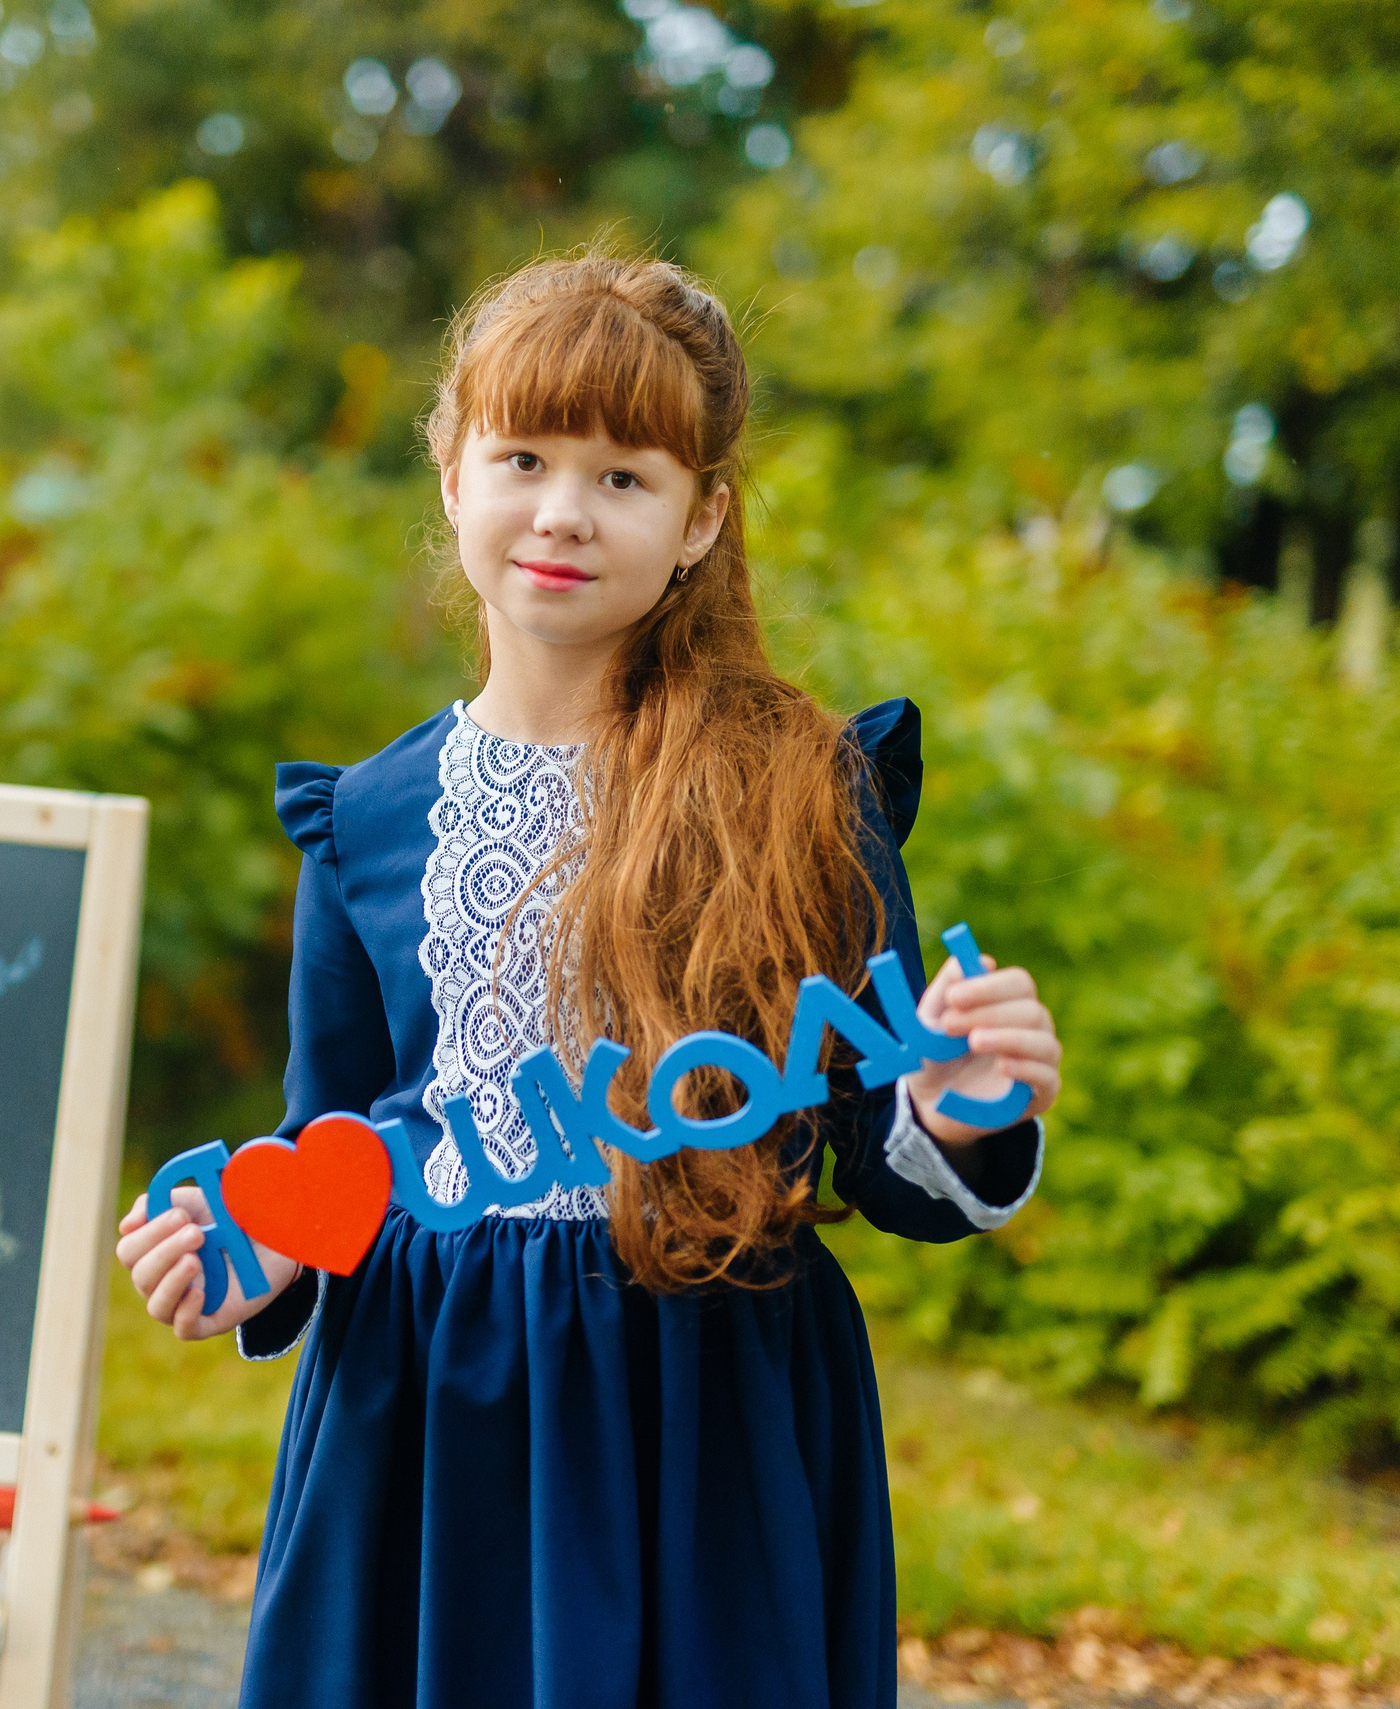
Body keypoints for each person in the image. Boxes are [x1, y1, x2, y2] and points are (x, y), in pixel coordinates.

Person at [114, 253, 1063, 1709]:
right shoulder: (362, 823)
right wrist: (259, 1252)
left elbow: (884, 1157)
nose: (563, 509)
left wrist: (969, 1108)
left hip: (706, 1397)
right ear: (451, 475)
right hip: (429, 1414)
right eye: (525, 457)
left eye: (625, 476)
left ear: (702, 518)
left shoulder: (803, 788)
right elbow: (343, 1144)